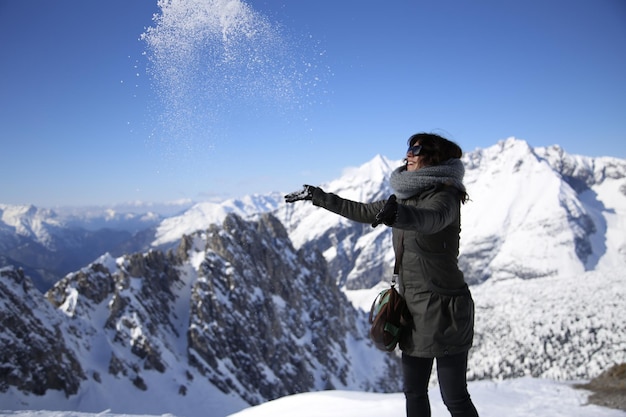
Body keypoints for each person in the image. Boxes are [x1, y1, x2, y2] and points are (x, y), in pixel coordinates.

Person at [284, 132, 479, 417]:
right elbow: (363, 211)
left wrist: (397, 216)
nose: (409, 154)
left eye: (417, 149)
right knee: (413, 392)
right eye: (409, 148)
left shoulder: (446, 197)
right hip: (410, 308)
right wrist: (318, 196)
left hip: (445, 310)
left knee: (454, 398)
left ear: (434, 157)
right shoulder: (404, 197)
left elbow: (430, 219)